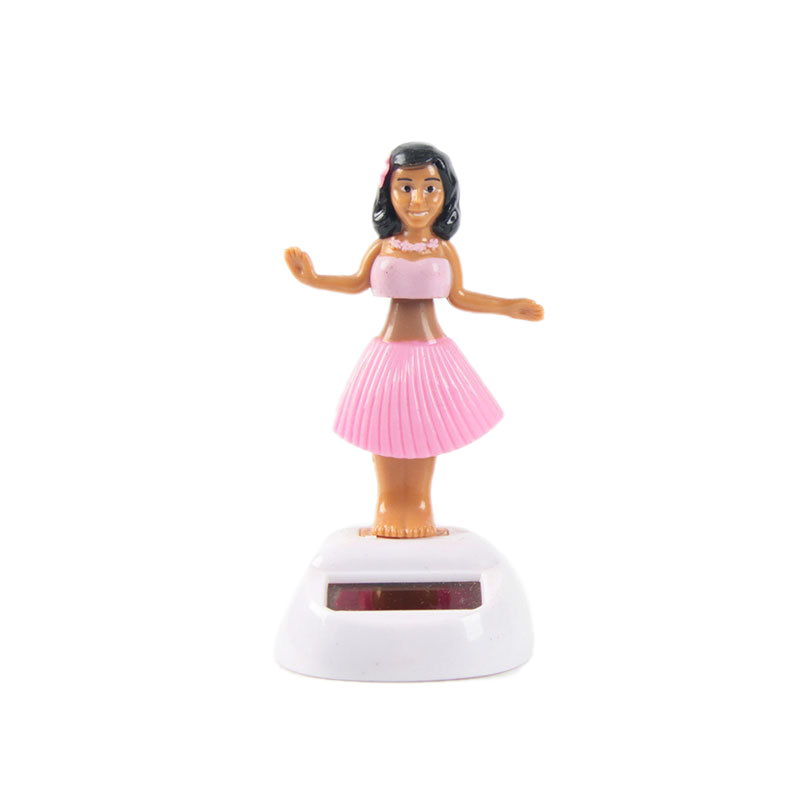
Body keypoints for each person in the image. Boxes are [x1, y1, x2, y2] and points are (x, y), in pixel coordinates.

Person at [285, 142, 543, 538]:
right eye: (405, 187)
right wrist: (313, 278)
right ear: (388, 192)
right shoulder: (383, 247)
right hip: (387, 354)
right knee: (384, 426)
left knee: (425, 428)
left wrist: (507, 306)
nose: (417, 199)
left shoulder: (443, 250)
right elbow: (356, 282)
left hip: (432, 354)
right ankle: (389, 502)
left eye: (430, 188)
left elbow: (460, 296)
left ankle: (419, 504)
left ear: (446, 194)